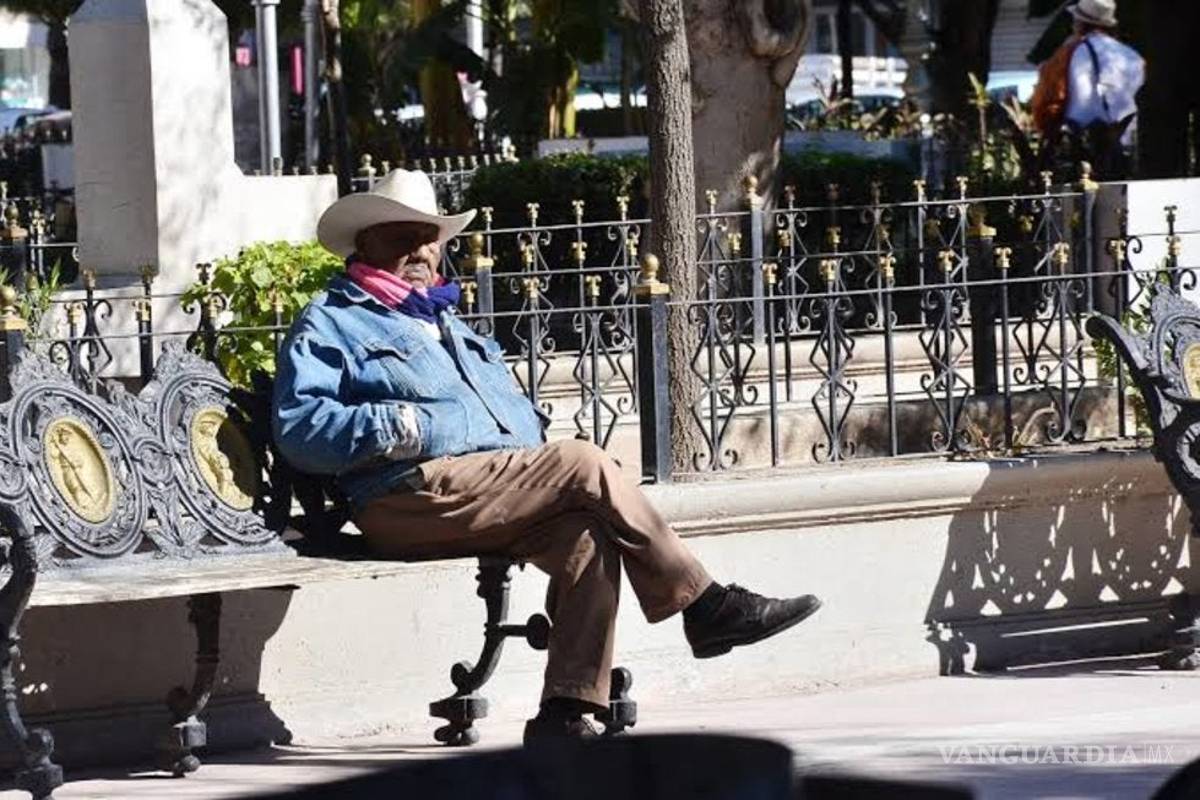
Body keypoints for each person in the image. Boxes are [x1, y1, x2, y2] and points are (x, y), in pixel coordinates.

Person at [272, 169, 823, 743]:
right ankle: (706, 604)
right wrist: (402, 424)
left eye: (428, 235)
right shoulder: (332, 319)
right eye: (399, 235)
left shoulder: (449, 324)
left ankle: (566, 710)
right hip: (405, 494)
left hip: (485, 491)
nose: (418, 248)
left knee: (587, 533)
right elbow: (298, 428)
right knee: (583, 462)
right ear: (364, 245)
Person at [1030, 0, 1143, 177]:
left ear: (1080, 23)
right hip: (1127, 151)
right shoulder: (1132, 56)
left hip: (1081, 153)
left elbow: (1049, 102)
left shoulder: (1070, 52)